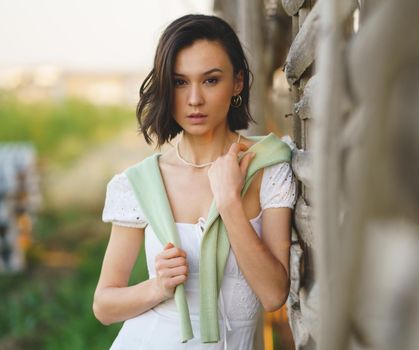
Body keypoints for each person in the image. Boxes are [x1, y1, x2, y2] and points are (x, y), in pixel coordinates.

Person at [92, 14, 297, 349]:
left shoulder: (268, 166)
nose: (194, 99)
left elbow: (274, 293)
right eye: (180, 82)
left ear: (238, 83)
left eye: (211, 80)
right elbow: (104, 305)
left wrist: (229, 203)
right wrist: (158, 286)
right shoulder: (141, 183)